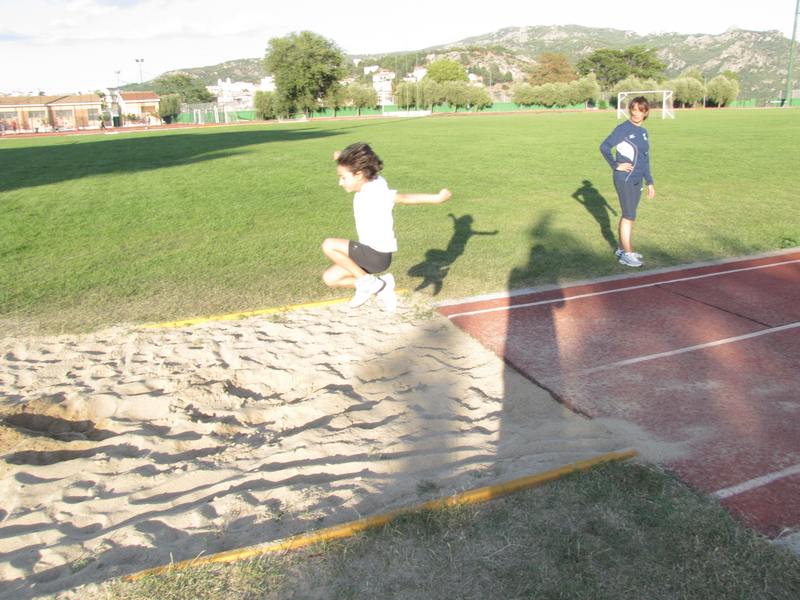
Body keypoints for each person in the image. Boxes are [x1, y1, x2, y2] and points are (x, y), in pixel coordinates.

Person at [322, 142, 451, 312]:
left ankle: (368, 283)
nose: (340, 182)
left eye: (343, 177)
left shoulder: (374, 192)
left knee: (329, 245)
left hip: (376, 255)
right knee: (330, 278)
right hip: (369, 254)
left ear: (359, 175)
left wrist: (437, 198)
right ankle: (381, 286)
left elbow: (405, 198)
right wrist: (341, 157)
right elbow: (356, 167)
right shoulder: (370, 179)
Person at [599, 96, 656, 267]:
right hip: (624, 178)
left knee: (630, 215)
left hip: (638, 178)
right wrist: (616, 165)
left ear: (646, 112)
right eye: (634, 109)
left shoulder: (644, 132)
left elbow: (645, 159)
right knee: (629, 215)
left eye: (641, 110)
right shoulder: (623, 128)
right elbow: (604, 146)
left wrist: (650, 182)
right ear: (630, 109)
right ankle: (628, 254)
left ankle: (621, 249)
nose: (637, 113)